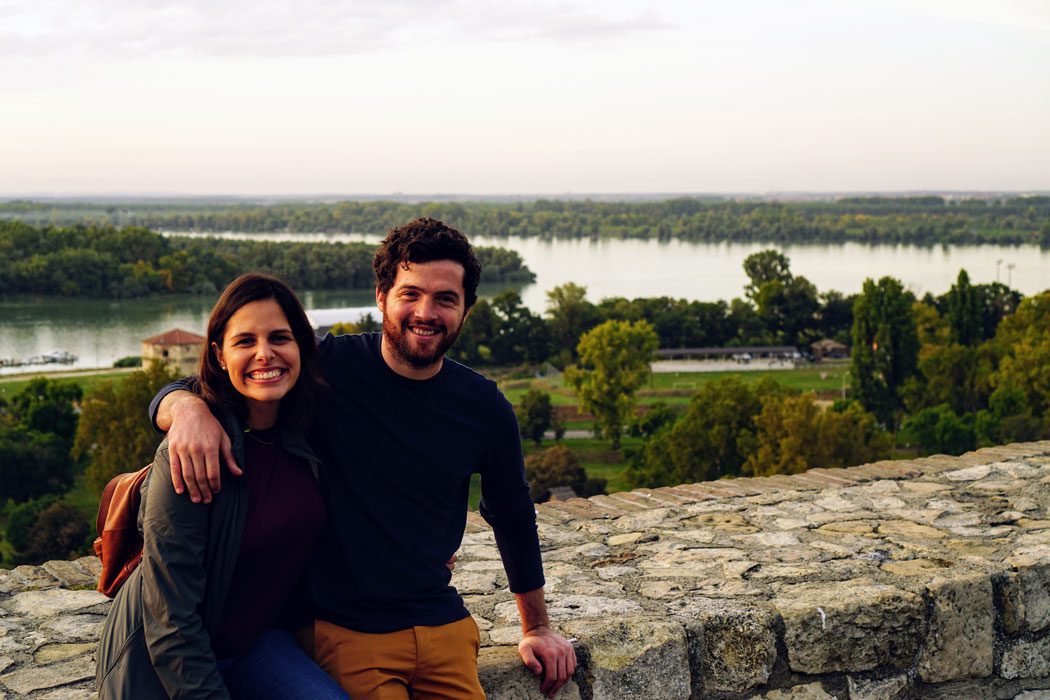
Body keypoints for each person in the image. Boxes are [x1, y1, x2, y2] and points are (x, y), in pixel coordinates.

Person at [152, 218, 577, 699]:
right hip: (349, 631)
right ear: (382, 296)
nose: (426, 312)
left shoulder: (484, 407)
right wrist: (182, 407)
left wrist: (537, 627)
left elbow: (514, 515)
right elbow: (231, 374)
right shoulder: (328, 367)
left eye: (445, 299)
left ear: (466, 309)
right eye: (410, 294)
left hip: (444, 624)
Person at [96, 272, 349, 700]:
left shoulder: (309, 429)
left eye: (279, 338)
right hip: (163, 662)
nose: (265, 355)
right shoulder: (192, 452)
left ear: (302, 347)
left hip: (254, 645)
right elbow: (170, 621)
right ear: (218, 354)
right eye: (245, 341)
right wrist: (185, 406)